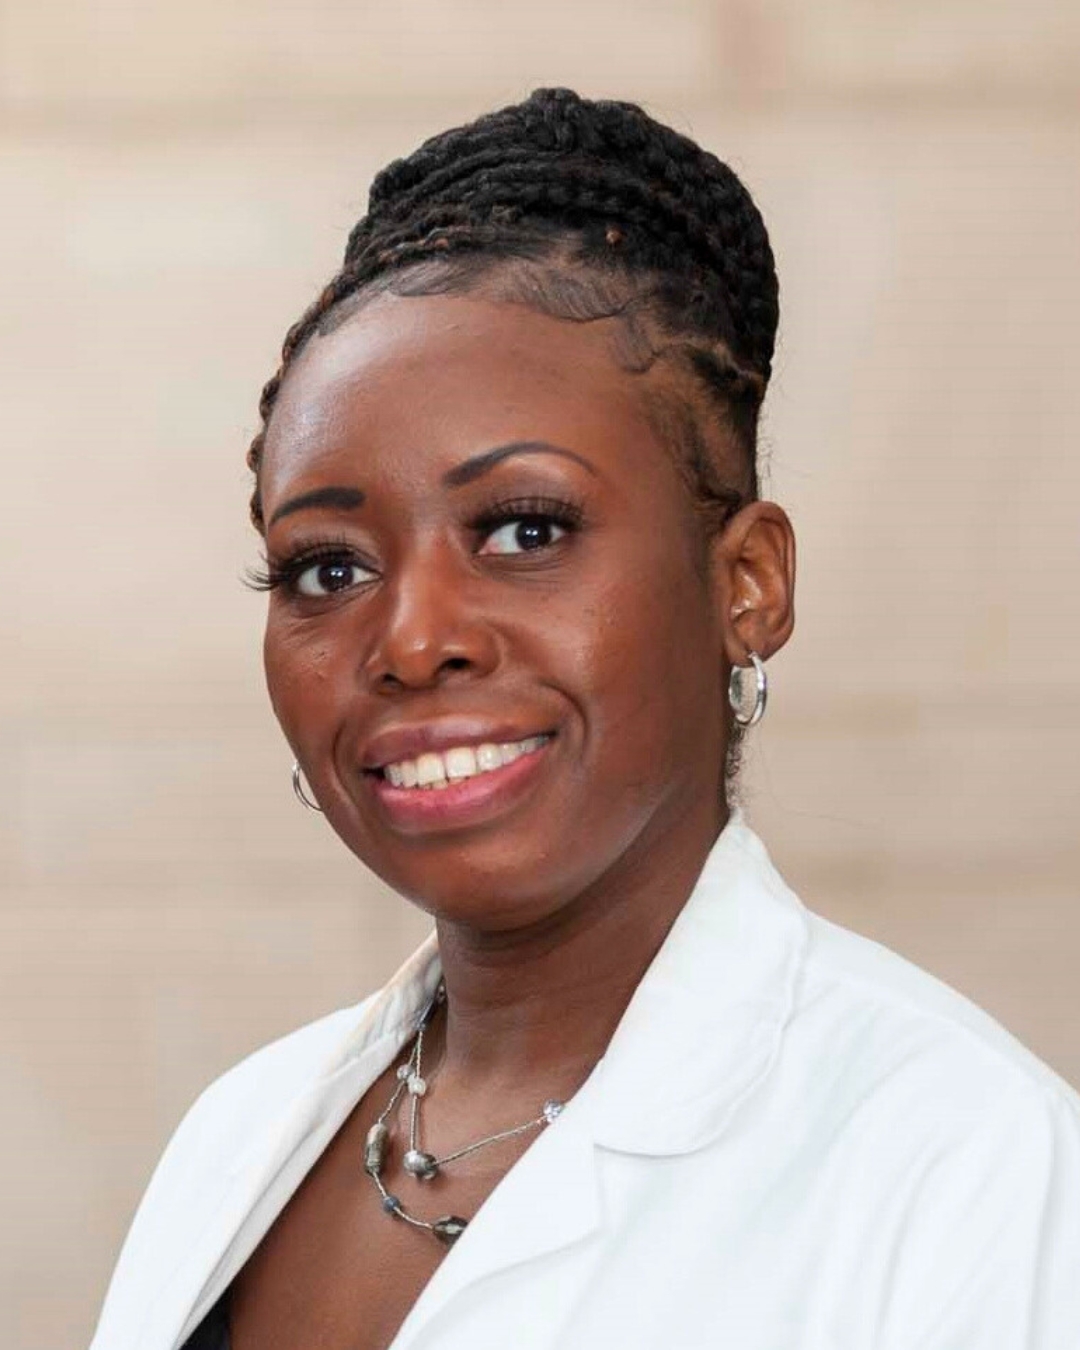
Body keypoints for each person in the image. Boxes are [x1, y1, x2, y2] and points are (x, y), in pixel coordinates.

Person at [89, 88, 1080, 1350]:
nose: (410, 639)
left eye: (525, 530)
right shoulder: (239, 1139)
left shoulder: (962, 1171)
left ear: (746, 585)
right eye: (328, 567)